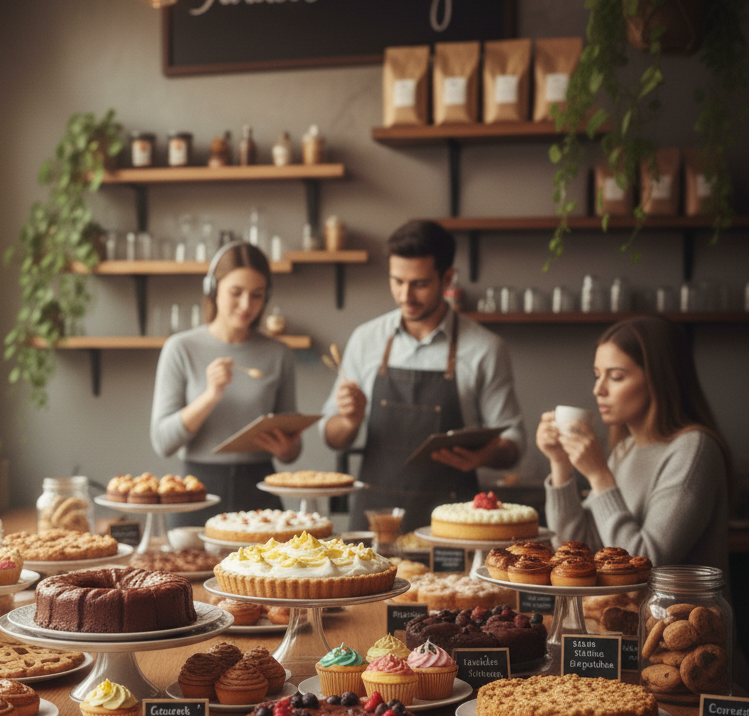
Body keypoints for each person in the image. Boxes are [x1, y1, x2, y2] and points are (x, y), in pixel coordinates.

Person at [320, 220, 525, 530]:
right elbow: (330, 435)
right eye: (397, 281)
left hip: (454, 524)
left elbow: (514, 440)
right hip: (376, 521)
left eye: (419, 284)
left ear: (447, 278)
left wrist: (485, 455)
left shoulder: (485, 349)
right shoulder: (366, 339)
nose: (406, 296)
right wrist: (349, 421)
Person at [537, 317, 731, 575]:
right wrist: (560, 463)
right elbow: (575, 551)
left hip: (671, 604)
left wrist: (599, 475)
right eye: (597, 375)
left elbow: (645, 562)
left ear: (658, 380)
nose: (598, 389)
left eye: (616, 377)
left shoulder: (693, 450)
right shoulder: (625, 450)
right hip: (619, 603)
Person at [150, 242, 301, 524]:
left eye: (257, 295)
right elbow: (163, 442)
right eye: (236, 292)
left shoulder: (278, 354)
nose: (246, 305)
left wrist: (287, 450)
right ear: (213, 289)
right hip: (196, 493)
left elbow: (292, 448)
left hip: (261, 493)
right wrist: (210, 395)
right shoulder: (180, 348)